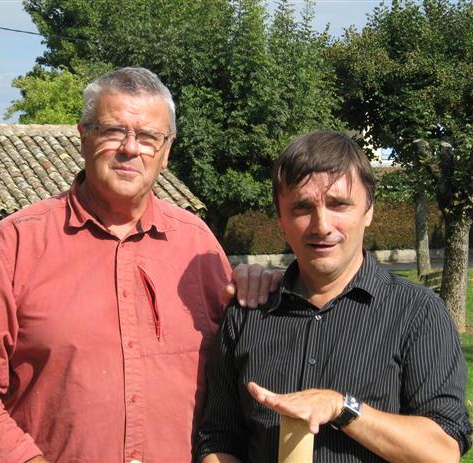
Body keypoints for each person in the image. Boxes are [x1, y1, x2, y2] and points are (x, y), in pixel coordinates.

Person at [0, 67, 278, 463]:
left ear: (166, 152)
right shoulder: (12, 246)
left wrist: (267, 284)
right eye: (114, 130)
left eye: (149, 137)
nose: (131, 149)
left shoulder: (196, 245)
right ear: (83, 136)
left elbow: (240, 363)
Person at [194, 130, 472, 463]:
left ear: (368, 210)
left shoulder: (418, 312)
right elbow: (218, 438)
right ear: (281, 218)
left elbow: (442, 451)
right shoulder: (246, 312)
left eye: (339, 204)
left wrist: (341, 407)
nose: (321, 225)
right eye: (302, 207)